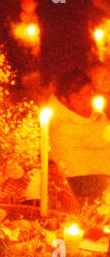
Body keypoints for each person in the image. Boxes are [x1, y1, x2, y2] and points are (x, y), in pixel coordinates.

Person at [46, 69, 110, 199]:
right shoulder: (58, 127)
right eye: (79, 97)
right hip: (78, 187)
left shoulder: (100, 119)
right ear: (64, 101)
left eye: (89, 93)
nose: (86, 100)